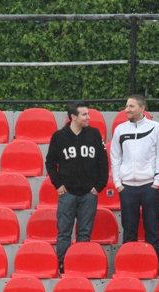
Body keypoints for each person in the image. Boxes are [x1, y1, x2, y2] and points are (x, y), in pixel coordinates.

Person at [45, 101, 109, 274]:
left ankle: (80, 265)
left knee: (84, 234)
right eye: (84, 114)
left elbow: (103, 163)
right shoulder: (59, 136)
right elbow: (50, 162)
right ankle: (63, 265)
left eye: (88, 114)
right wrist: (57, 184)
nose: (89, 117)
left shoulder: (95, 135)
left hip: (89, 193)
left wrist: (99, 186)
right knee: (64, 233)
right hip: (68, 194)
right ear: (73, 117)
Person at [110, 94, 159, 262]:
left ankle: (153, 267)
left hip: (149, 187)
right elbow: (115, 157)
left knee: (152, 232)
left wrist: (156, 182)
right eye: (126, 106)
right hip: (127, 188)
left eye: (131, 106)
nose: (127, 109)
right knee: (128, 232)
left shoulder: (156, 128)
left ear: (142, 108)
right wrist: (118, 184)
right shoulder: (120, 130)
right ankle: (129, 268)